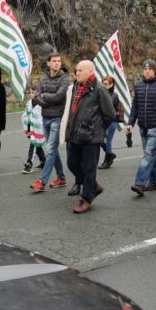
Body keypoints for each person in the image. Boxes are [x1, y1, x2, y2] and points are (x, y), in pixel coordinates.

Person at [60, 60, 114, 213]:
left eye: (80, 70)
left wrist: (97, 129)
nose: (77, 73)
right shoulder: (75, 87)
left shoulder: (100, 89)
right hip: (74, 134)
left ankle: (86, 199)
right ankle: (94, 186)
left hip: (91, 137)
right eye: (76, 70)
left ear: (90, 72)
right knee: (72, 163)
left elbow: (109, 114)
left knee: (90, 169)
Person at [30, 52, 72, 193]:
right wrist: (45, 100)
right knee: (53, 151)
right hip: (45, 117)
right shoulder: (42, 79)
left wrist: (44, 97)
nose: (57, 63)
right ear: (48, 63)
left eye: (59, 61)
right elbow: (36, 98)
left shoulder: (65, 79)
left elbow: (60, 96)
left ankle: (42, 181)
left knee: (50, 150)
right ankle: (61, 178)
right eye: (54, 61)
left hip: (57, 119)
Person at [128, 60, 156, 195]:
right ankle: (154, 182)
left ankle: (140, 183)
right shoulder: (138, 86)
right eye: (145, 68)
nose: (147, 71)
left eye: (150, 68)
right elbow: (135, 107)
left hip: (155, 126)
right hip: (142, 126)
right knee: (150, 155)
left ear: (154, 70)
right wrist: (130, 123)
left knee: (148, 154)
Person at [98, 75, 125, 169]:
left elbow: (108, 108)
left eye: (106, 84)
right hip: (101, 121)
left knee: (107, 141)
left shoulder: (114, 95)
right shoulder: (100, 93)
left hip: (111, 121)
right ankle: (111, 154)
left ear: (111, 85)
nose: (103, 85)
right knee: (100, 140)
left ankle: (107, 161)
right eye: (102, 83)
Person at [21, 84, 46, 174]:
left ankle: (29, 164)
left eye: (33, 92)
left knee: (33, 144)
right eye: (30, 92)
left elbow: (41, 116)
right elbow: (25, 114)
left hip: (38, 128)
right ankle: (43, 161)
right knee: (37, 145)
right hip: (30, 126)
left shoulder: (41, 104)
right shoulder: (29, 103)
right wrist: (25, 125)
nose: (31, 94)